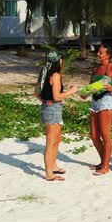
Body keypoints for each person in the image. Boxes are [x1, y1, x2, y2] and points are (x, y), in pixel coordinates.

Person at [35, 50, 78, 181]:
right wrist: (71, 91)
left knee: (57, 139)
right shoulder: (56, 75)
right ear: (58, 61)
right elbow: (57, 96)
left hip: (50, 108)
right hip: (53, 110)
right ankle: (49, 173)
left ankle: (53, 166)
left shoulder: (44, 73)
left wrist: (45, 101)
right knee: (51, 142)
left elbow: (36, 93)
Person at [83, 45, 112, 176]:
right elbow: (90, 88)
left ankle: (106, 166)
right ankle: (103, 162)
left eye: (101, 53)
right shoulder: (95, 69)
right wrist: (84, 93)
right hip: (94, 102)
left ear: (108, 55)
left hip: (106, 102)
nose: (98, 55)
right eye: (98, 53)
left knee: (105, 134)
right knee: (94, 136)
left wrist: (108, 87)